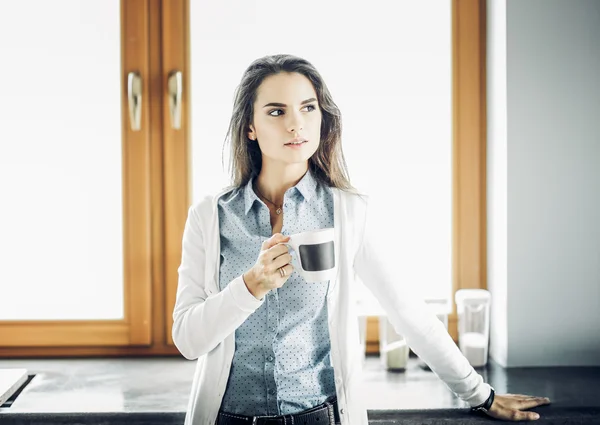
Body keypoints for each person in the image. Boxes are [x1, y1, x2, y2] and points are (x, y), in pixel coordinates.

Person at [172, 54, 550, 425]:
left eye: (308, 108)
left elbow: (409, 315)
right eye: (276, 111)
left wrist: (479, 395)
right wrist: (251, 286)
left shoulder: (347, 214)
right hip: (225, 418)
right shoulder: (210, 216)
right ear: (250, 127)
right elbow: (188, 340)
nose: (295, 125)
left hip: (321, 417)